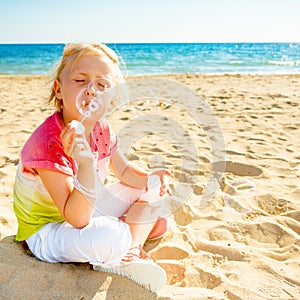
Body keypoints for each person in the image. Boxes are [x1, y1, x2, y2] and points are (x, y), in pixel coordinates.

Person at [13, 42, 171, 292]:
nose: (91, 90)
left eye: (102, 85)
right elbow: (76, 218)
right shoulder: (47, 142)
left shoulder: (102, 129)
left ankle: (129, 251)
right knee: (112, 236)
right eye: (80, 80)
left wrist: (152, 180)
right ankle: (122, 243)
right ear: (59, 89)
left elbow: (126, 173)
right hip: (47, 230)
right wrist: (85, 163)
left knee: (153, 200)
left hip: (85, 207)